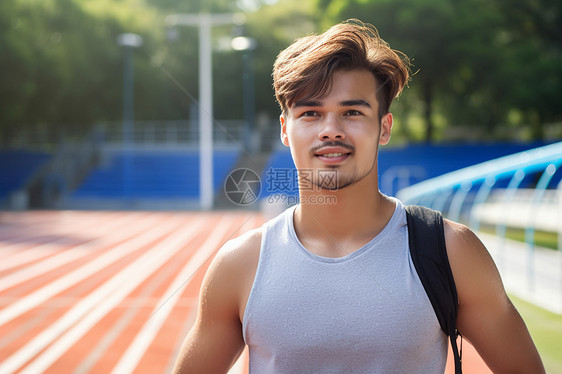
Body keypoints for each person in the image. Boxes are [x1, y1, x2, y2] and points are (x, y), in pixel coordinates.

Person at [173, 19, 545, 373]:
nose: (331, 130)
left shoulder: (451, 250)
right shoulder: (240, 265)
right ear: (286, 130)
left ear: (384, 127)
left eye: (352, 111)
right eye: (311, 113)